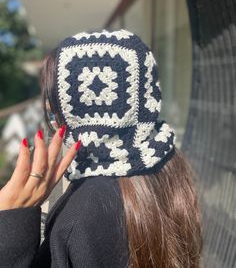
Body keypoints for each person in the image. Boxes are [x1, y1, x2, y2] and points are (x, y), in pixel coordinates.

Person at [0, 29, 202, 268]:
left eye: (53, 101)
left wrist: (9, 226)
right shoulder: (167, 170)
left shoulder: (81, 214)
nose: (51, 111)